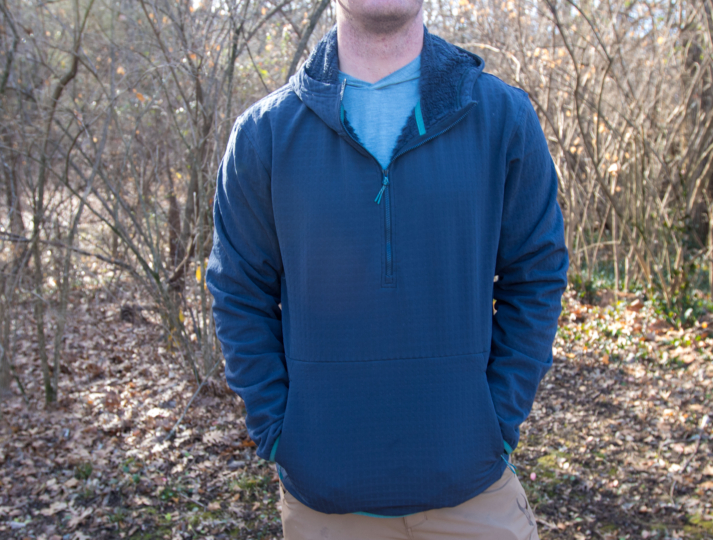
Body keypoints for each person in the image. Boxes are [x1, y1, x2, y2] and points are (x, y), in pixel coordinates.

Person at [205, 0, 569, 536]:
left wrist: (496, 421)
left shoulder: (501, 118)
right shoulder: (266, 135)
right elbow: (238, 292)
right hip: (324, 499)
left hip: (474, 488)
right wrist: (281, 431)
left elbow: (535, 275)